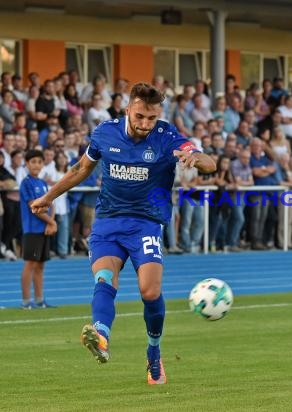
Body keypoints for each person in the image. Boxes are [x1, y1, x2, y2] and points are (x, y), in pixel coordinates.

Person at [31, 82, 216, 385]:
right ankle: (101, 337)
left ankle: (154, 353)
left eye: (151, 118)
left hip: (146, 223)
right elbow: (81, 169)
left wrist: (196, 160)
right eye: (140, 116)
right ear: (128, 109)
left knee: (150, 292)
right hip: (108, 222)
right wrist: (49, 196)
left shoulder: (167, 136)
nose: (145, 124)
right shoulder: (105, 132)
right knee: (104, 278)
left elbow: (209, 162)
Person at [19, 150, 58, 309]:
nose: (36, 165)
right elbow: (33, 206)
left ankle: (39, 300)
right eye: (33, 161)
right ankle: (26, 301)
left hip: (44, 229)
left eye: (39, 162)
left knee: (41, 265)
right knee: (30, 264)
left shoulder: (42, 183)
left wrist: (51, 221)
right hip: (32, 230)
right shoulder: (26, 183)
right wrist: (51, 222)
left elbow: (51, 203)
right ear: (27, 164)